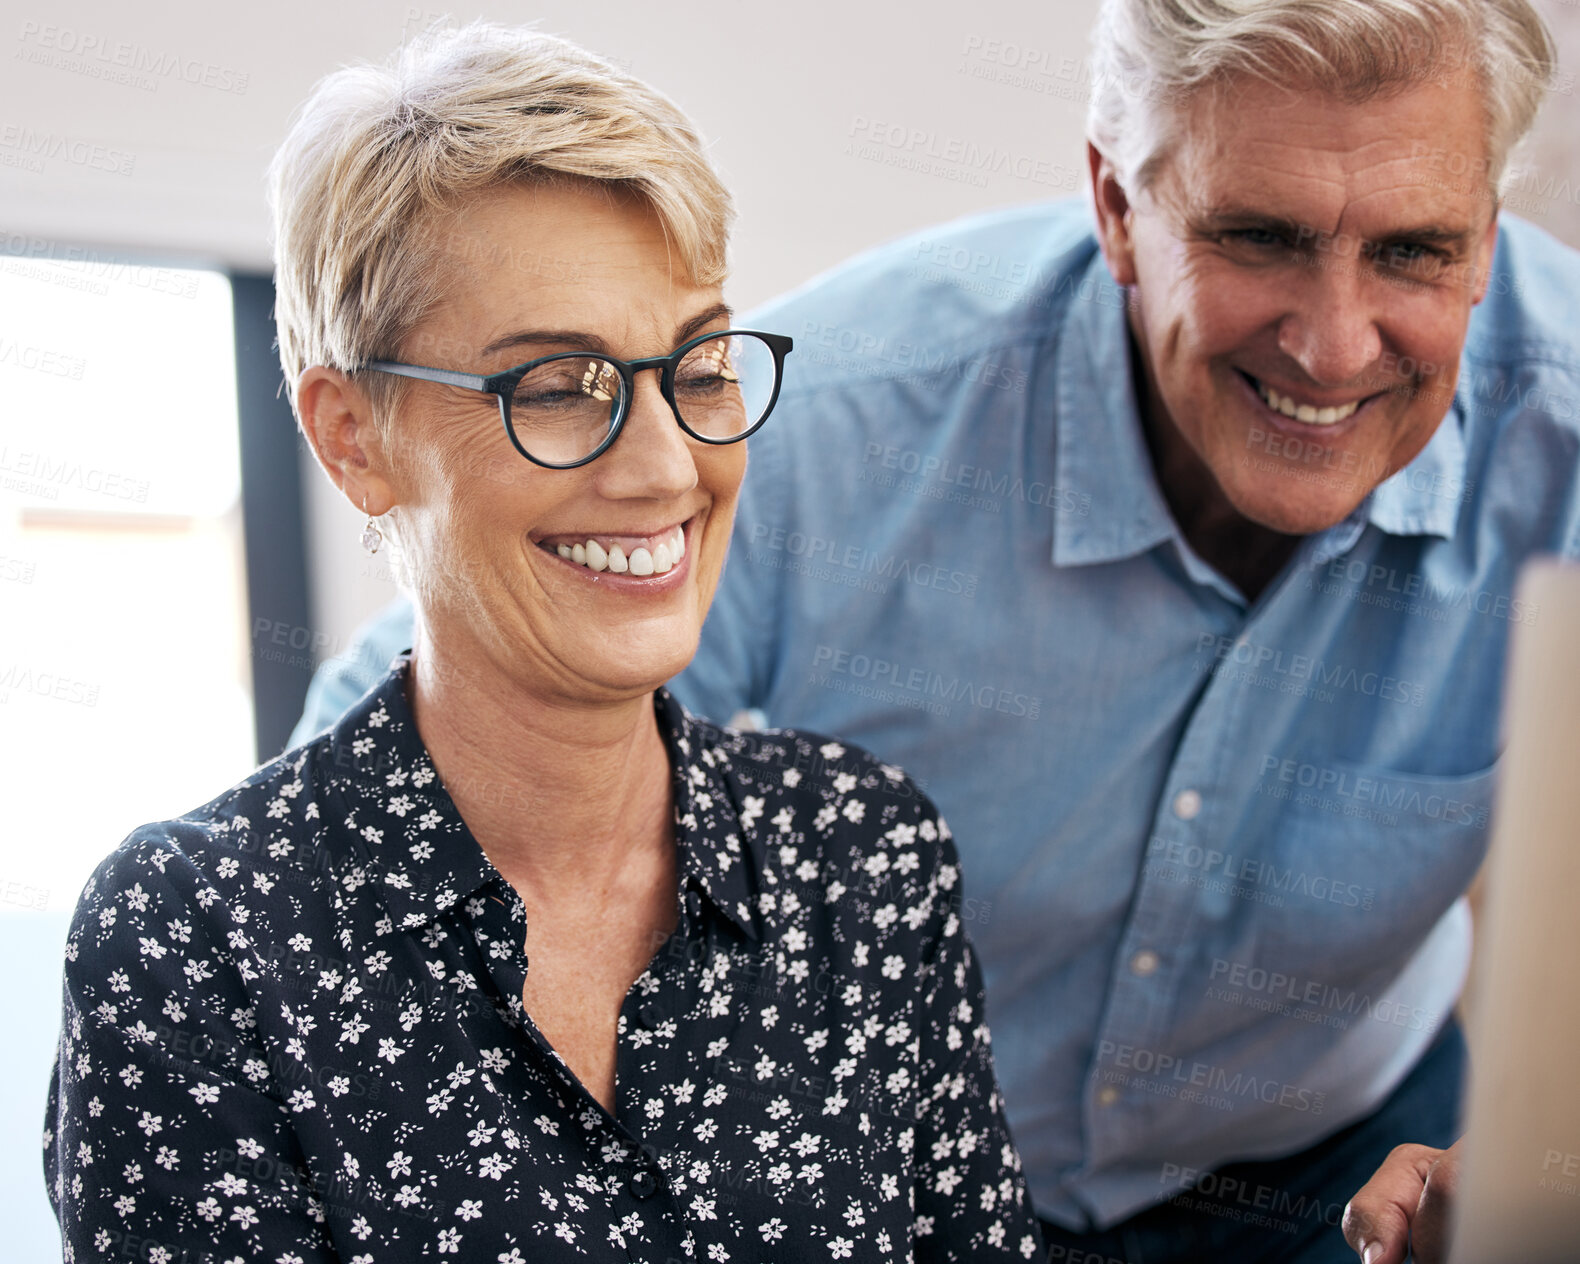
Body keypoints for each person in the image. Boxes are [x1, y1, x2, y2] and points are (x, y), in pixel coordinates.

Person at [296, 1, 1580, 1260]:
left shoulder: (1562, 425)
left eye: (1414, 251)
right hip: (921, 1191)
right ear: (1118, 206)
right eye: (1258, 237)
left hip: (1351, 1164)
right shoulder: (858, 418)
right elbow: (437, 716)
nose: (1334, 343)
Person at [42, 25, 1045, 1263]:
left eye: (700, 365)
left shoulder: (864, 857)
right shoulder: (195, 939)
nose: (668, 466)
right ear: (353, 435)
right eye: (560, 385)